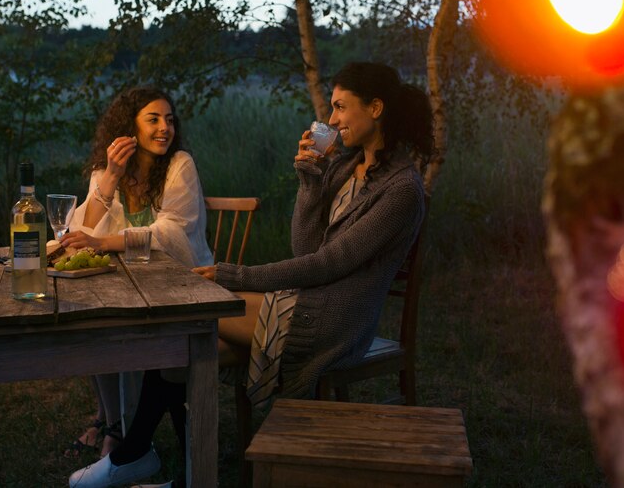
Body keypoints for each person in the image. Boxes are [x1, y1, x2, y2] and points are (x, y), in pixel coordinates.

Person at [68, 62, 432, 487]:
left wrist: (232, 275)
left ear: (375, 108)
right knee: (185, 345)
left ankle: (136, 457)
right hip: (307, 300)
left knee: (184, 324)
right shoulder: (343, 166)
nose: (331, 121)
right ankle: (167, 466)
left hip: (337, 321)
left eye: (339, 108)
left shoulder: (402, 190)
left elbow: (329, 263)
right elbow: (307, 247)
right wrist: (310, 180)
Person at [61, 85, 213, 459]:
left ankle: (125, 436)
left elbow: (171, 232)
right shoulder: (106, 170)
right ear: (129, 126)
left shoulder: (180, 165)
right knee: (95, 323)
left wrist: (103, 244)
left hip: (180, 282)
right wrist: (111, 176)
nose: (165, 128)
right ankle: (114, 425)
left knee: (119, 329)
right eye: (153, 119)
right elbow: (84, 232)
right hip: (125, 284)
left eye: (170, 119)